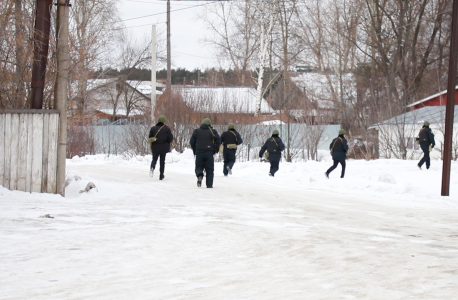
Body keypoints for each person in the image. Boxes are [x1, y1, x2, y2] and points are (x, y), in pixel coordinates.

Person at [190, 118, 221, 188]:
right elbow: (218, 140)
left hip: (199, 152)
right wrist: (215, 150)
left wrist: (195, 151)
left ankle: (200, 175)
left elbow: (192, 142)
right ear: (210, 125)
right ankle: (209, 185)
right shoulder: (213, 131)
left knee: (198, 167)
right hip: (209, 152)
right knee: (210, 169)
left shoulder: (196, 131)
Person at [148, 115, 173, 180]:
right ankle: (161, 175)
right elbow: (170, 139)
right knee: (162, 161)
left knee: (154, 159)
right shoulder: (167, 129)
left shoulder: (153, 128)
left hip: (155, 147)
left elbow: (150, 138)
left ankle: (152, 168)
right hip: (164, 148)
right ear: (164, 122)